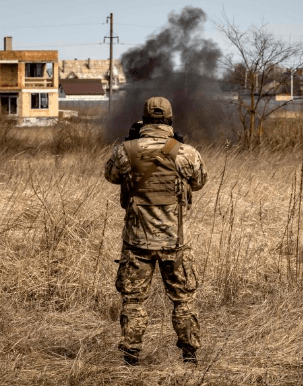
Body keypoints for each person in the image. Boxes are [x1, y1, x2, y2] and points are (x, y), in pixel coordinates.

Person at [104, 96, 207, 366]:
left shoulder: (126, 150)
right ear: (169, 120)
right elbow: (198, 183)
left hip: (137, 242)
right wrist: (177, 147)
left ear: (145, 120)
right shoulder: (186, 152)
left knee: (134, 300)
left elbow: (111, 176)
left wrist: (130, 140)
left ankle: (130, 357)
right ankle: (190, 355)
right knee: (183, 300)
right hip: (175, 241)